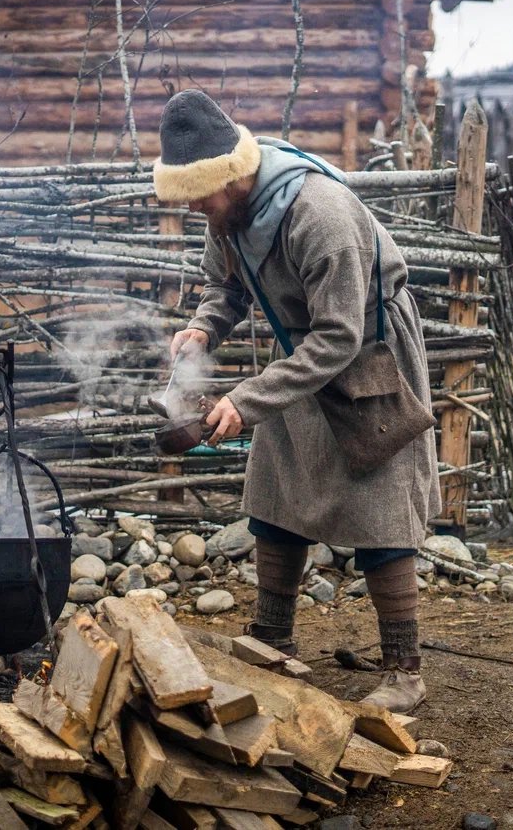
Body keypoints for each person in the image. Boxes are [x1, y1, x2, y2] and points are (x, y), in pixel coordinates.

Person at [152, 90, 441, 713]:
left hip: (369, 352)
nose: (198, 208)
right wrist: (205, 326)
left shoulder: (320, 213)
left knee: (380, 498)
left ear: (232, 175)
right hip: (297, 355)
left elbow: (339, 335)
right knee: (277, 492)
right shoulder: (229, 215)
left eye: (201, 194)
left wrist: (248, 398)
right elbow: (224, 285)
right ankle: (272, 640)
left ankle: (404, 670)